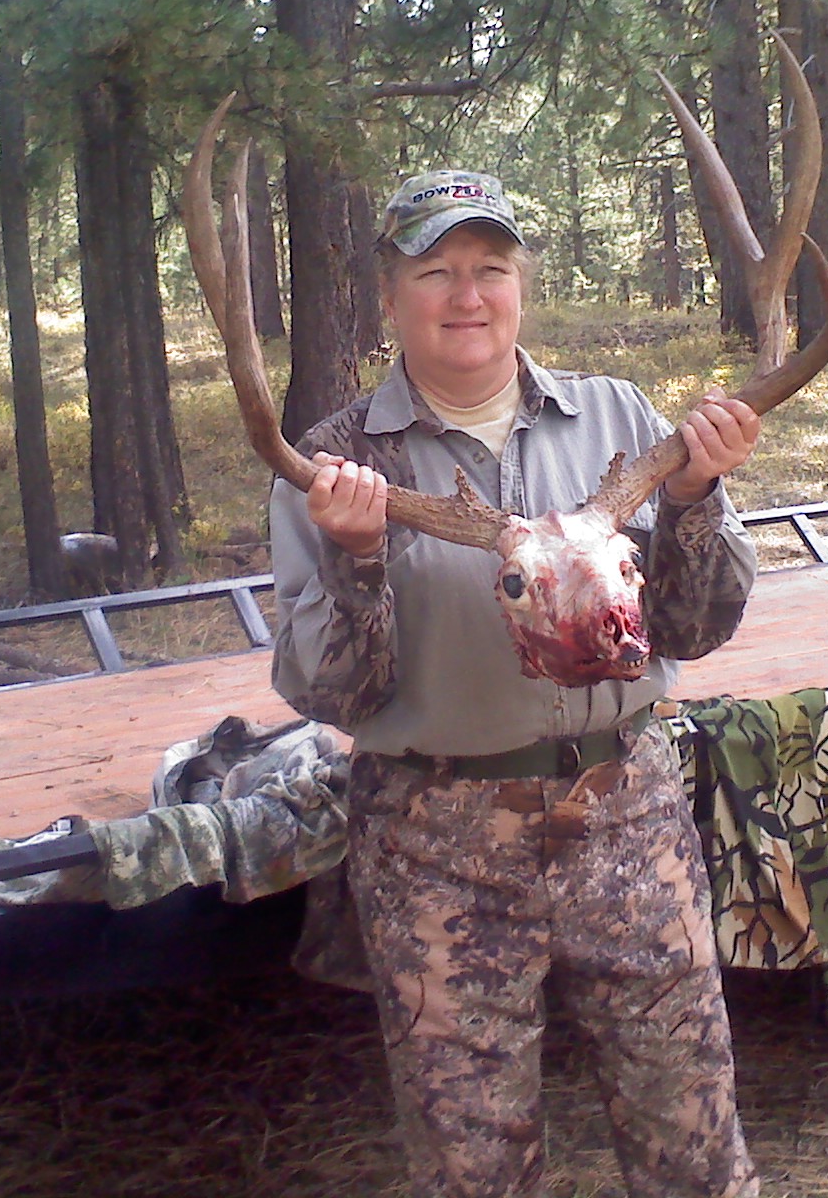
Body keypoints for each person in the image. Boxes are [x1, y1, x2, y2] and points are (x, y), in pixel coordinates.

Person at [269, 169, 765, 1198]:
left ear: (520, 284)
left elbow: (691, 629)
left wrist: (696, 496)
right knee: (472, 1165)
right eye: (435, 271)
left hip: (625, 815)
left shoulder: (621, 421)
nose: (465, 296)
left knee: (692, 1144)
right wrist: (359, 559)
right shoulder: (331, 463)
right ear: (389, 292)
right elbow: (332, 697)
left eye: (488, 269)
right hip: (434, 849)